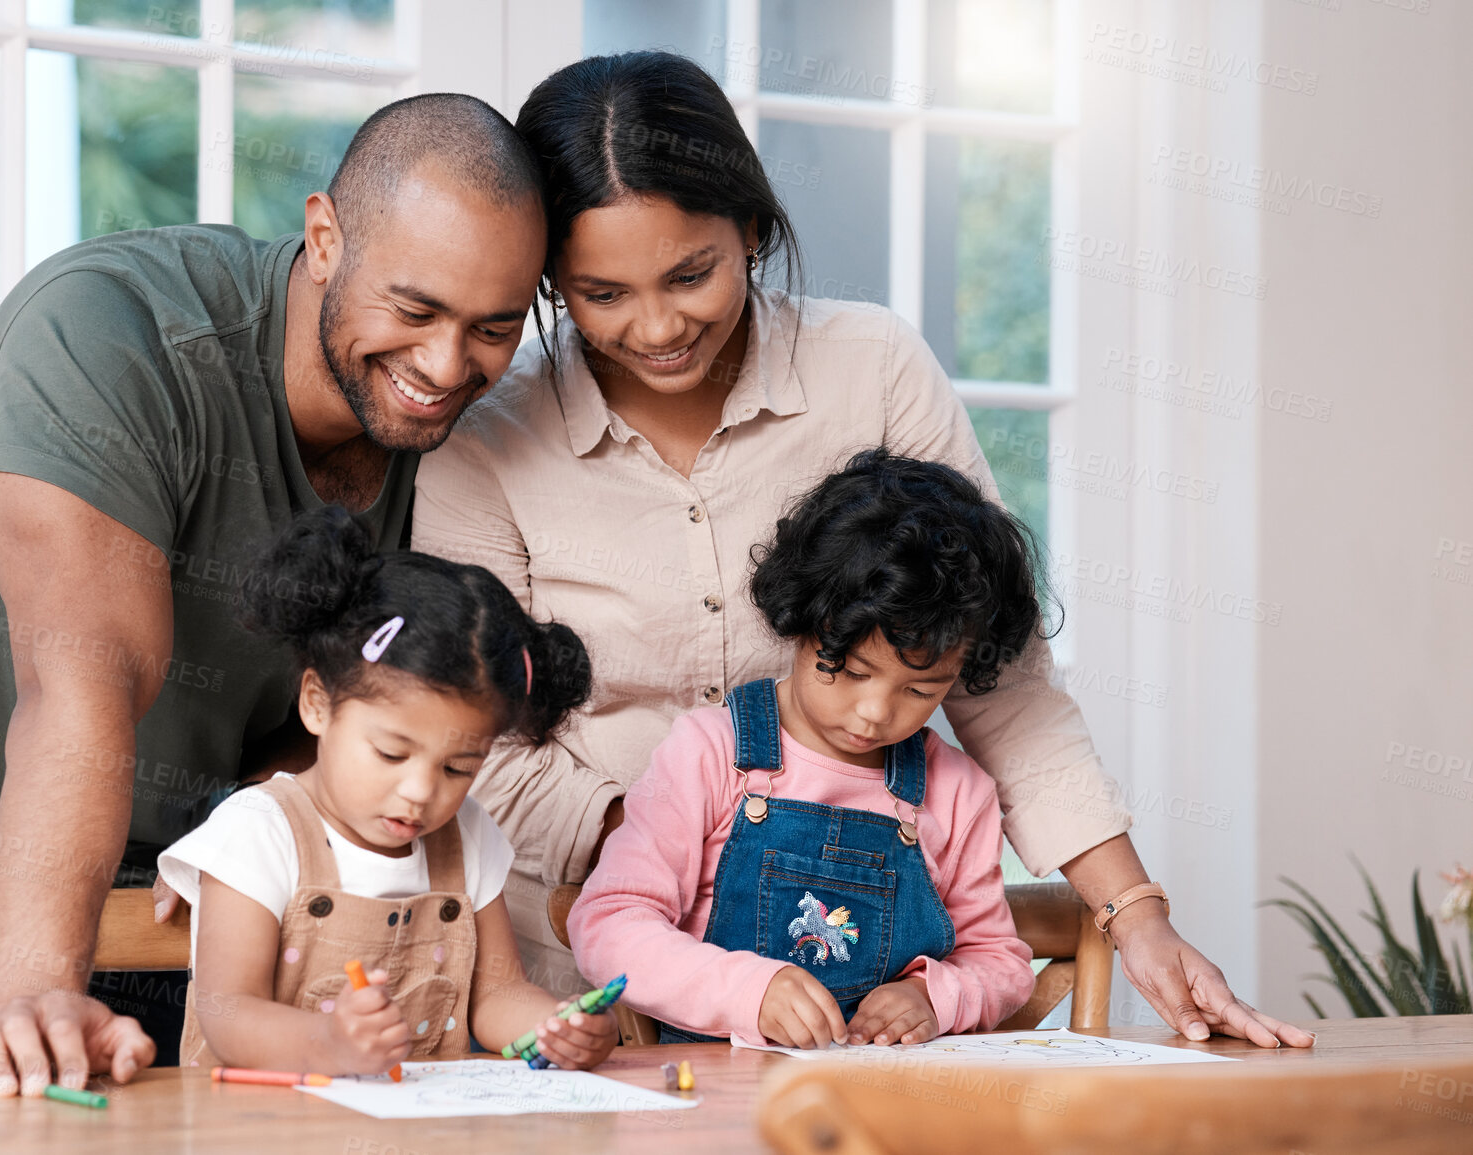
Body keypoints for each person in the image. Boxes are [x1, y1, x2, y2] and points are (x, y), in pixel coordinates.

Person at [413, 51, 1313, 1049]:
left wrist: (1135, 917)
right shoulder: (485, 438)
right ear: (549, 278)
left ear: (751, 229)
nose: (658, 326)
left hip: (851, 1003)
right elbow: (471, 732)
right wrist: (680, 845)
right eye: (601, 294)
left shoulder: (870, 369)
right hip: (580, 982)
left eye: (690, 274)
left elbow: (995, 680)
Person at [0, 93, 548, 1091]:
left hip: (201, 868)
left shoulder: (434, 428)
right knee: (24, 1107)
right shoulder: (112, 335)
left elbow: (331, 712)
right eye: (412, 312)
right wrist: (30, 994)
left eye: (492, 328)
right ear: (323, 237)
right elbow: (85, 687)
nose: (447, 365)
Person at [571, 451, 1036, 1048]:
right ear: (801, 619)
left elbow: (999, 961)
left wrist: (933, 997)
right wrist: (746, 992)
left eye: (921, 690)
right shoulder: (712, 754)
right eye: (848, 669)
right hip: (713, 1111)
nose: (875, 713)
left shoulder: (959, 793)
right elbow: (607, 926)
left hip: (879, 1115)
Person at [157, 507, 617, 1073]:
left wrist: (556, 1026)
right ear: (317, 704)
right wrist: (329, 1042)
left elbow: (497, 997)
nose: (421, 791)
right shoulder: (257, 831)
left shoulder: (466, 834)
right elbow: (229, 1014)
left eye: (459, 768)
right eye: (391, 754)